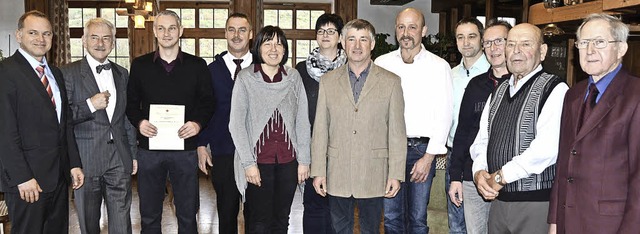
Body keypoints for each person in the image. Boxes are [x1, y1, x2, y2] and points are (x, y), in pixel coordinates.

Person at [470, 23, 568, 234]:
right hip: (498, 202)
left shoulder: (555, 89)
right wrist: (478, 172)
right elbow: (482, 141)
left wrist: (499, 177)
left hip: (535, 203)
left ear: (542, 52)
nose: (516, 51)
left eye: (525, 44)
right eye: (511, 44)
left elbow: (546, 150)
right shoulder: (498, 92)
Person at [311, 19, 406, 234]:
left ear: (372, 44)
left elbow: (397, 133)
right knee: (339, 229)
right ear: (343, 42)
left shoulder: (391, 82)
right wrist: (318, 170)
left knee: (371, 229)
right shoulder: (328, 81)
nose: (357, 45)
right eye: (351, 39)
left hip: (374, 172)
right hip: (337, 172)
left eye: (363, 39)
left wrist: (395, 174)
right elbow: (320, 130)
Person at [548, 13, 640, 234]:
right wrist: (554, 221)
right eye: (584, 43)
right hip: (568, 222)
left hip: (611, 226)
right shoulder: (574, 94)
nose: (589, 51)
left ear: (621, 49)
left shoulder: (635, 96)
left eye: (599, 42)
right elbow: (564, 163)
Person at [126, 10, 215, 233]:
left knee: (187, 215)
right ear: (154, 31)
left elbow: (208, 102)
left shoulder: (197, 65)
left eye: (172, 28)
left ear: (180, 31)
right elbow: (130, 105)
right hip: (149, 151)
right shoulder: (140, 65)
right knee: (149, 215)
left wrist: (197, 124)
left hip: (184, 151)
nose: (167, 33)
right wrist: (140, 123)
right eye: (162, 28)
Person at [0, 10, 84, 233]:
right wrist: (22, 177)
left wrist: (74, 163)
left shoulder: (55, 73)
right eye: (33, 32)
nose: (41, 39)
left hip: (57, 177)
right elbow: (4, 131)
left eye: (46, 33)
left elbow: (64, 124)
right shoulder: (5, 72)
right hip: (28, 182)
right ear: (19, 35)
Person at [374, 8, 452, 234]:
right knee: (391, 218)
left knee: (417, 219)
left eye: (412, 27)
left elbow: (445, 115)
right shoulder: (382, 63)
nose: (406, 33)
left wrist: (428, 158)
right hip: (390, 152)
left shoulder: (439, 67)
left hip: (421, 151)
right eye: (401, 27)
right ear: (395, 30)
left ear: (424, 31)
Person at [229, 25, 310, 234]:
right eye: (268, 43)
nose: (274, 48)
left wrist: (304, 160)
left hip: (288, 162)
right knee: (259, 221)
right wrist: (248, 164)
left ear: (284, 50)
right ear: (258, 47)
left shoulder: (293, 77)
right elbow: (236, 125)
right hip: (257, 162)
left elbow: (302, 121)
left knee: (282, 219)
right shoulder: (246, 78)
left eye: (279, 44)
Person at [61, 17, 138, 234]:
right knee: (89, 223)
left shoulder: (122, 73)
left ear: (113, 43)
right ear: (84, 40)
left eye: (106, 38)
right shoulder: (67, 73)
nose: (100, 43)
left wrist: (132, 153)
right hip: (86, 160)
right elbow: (60, 118)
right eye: (94, 37)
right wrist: (90, 105)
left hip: (119, 159)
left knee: (122, 223)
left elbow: (126, 118)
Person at [448, 19, 511, 234]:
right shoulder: (476, 85)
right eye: (488, 43)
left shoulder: (523, 84)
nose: (494, 49)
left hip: (511, 179)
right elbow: (462, 133)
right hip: (474, 177)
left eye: (499, 41)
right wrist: (456, 177)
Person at [197, 13, 253, 234]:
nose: (236, 35)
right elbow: (202, 110)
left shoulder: (262, 68)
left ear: (250, 34)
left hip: (256, 153)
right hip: (222, 152)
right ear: (225, 33)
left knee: (256, 215)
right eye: (231, 29)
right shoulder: (210, 71)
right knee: (227, 214)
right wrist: (201, 145)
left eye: (242, 30)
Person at [295, 13, 346, 234]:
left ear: (340, 36)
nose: (325, 35)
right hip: (312, 144)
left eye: (331, 31)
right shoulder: (300, 69)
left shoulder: (350, 69)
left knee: (338, 205)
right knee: (314, 204)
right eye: (321, 31)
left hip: (343, 146)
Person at [446, 17, 491, 233]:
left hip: (485, 158)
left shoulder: (495, 73)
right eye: (460, 37)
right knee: (456, 223)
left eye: (472, 36)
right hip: (455, 154)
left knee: (481, 226)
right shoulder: (449, 75)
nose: (466, 43)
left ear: (482, 40)